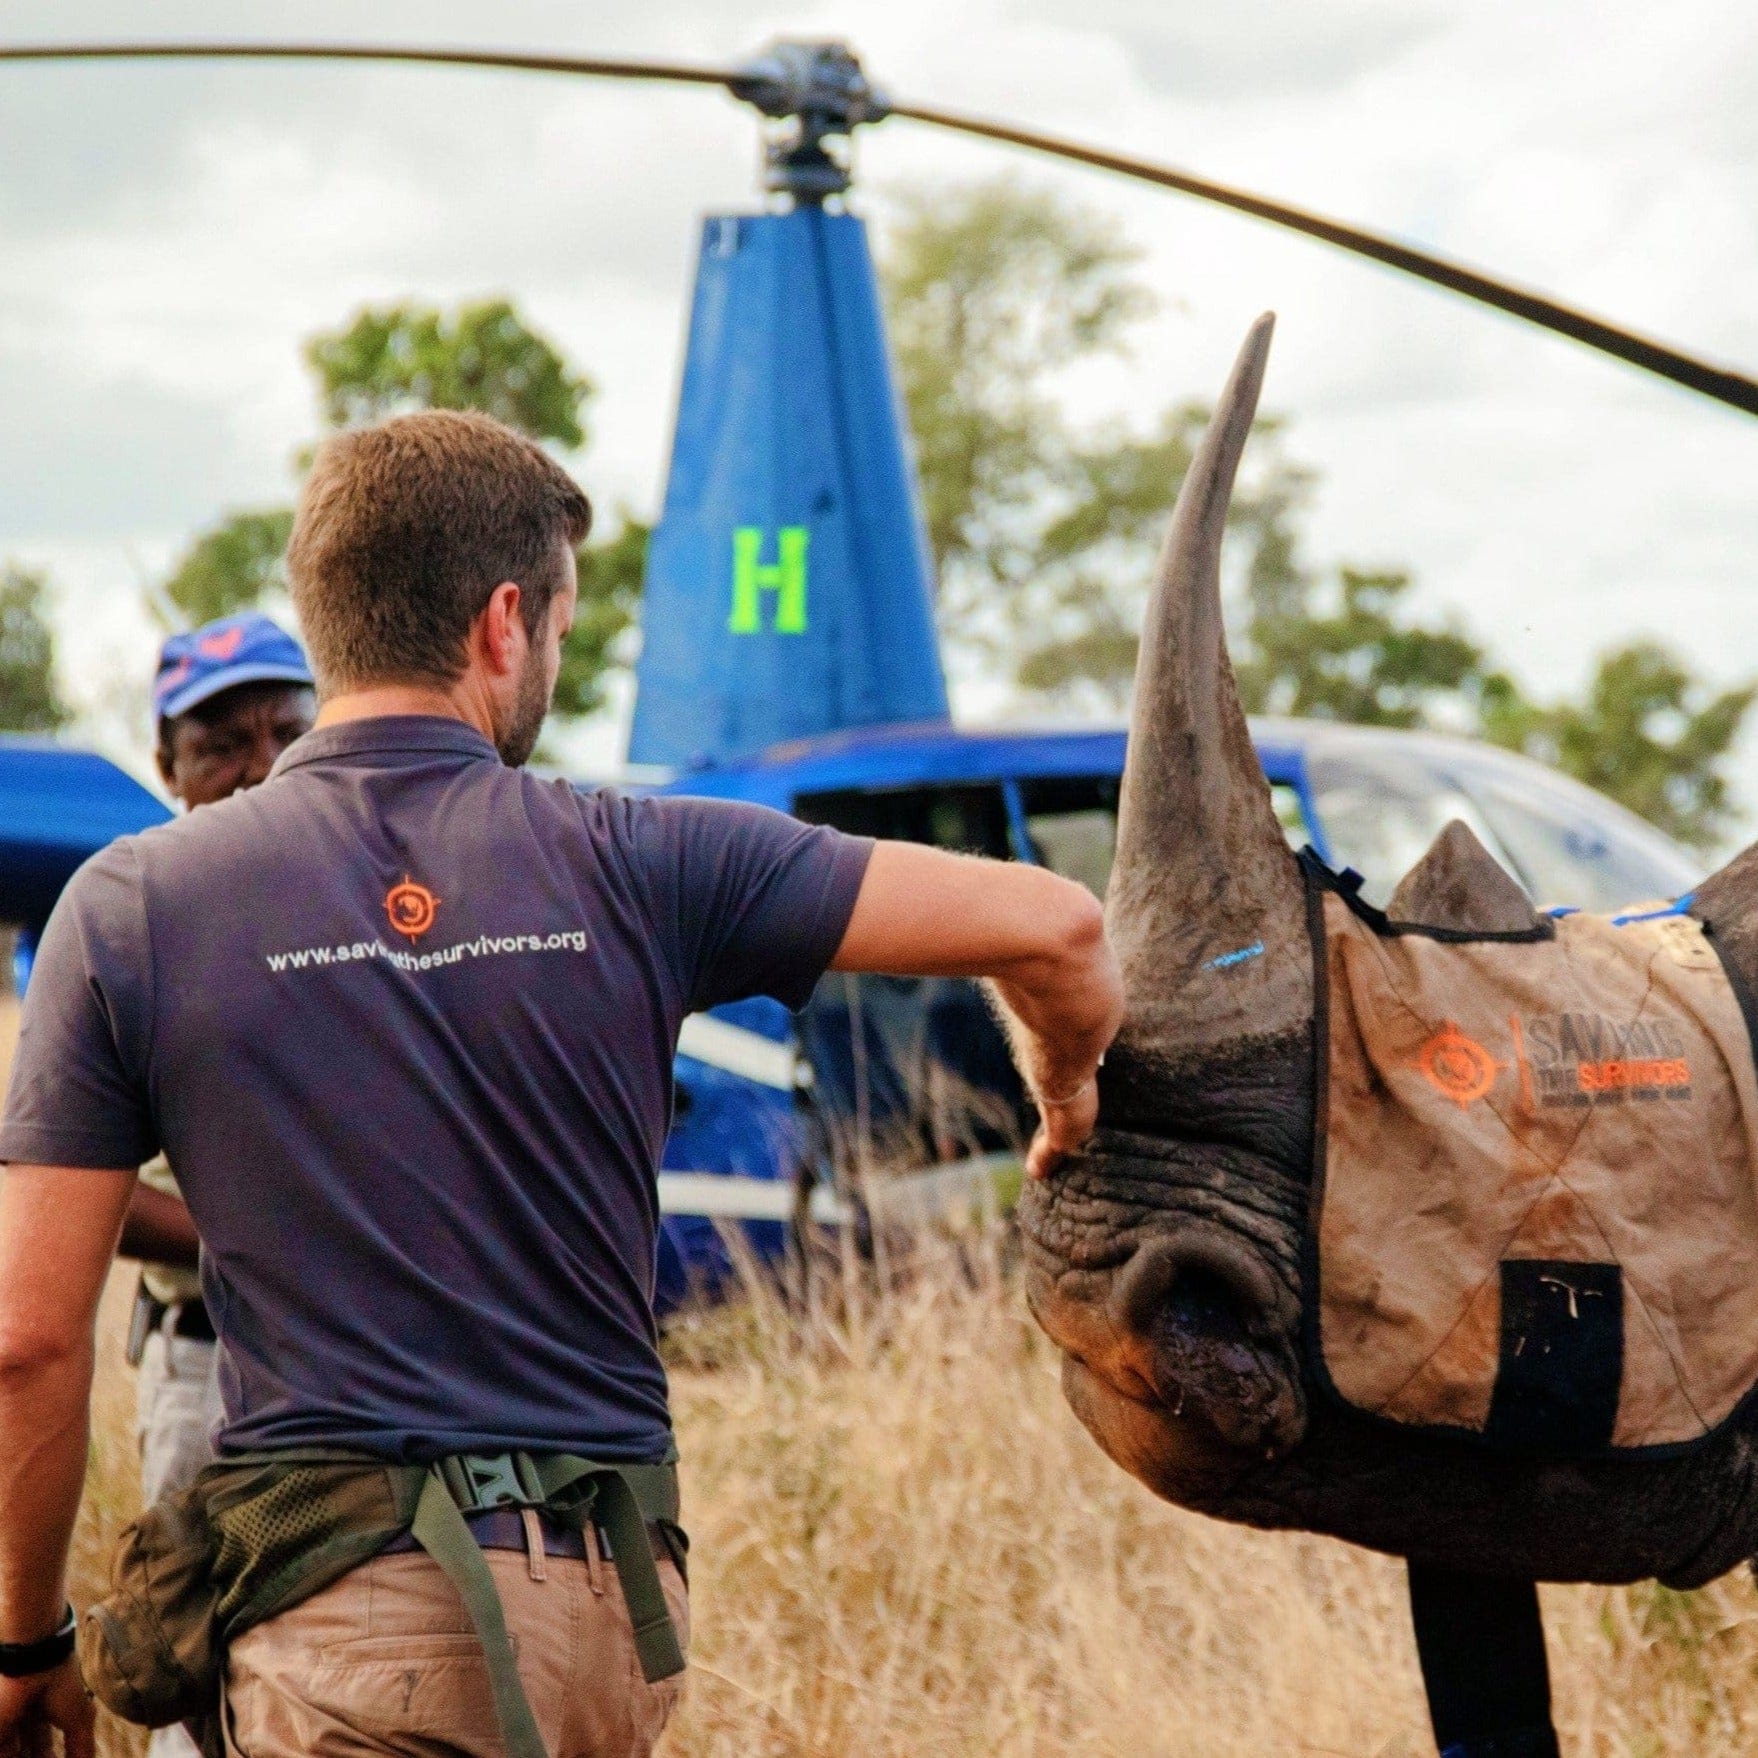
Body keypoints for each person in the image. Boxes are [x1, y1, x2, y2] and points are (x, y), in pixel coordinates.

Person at [0, 410, 1122, 1758]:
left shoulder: (131, 902)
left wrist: (23, 1642)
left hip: (339, 1619)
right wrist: (1062, 1101)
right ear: (503, 622)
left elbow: (27, 1340)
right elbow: (1057, 927)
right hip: (609, 1618)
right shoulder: (649, 858)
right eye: (565, 634)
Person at [112, 614, 317, 1758]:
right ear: (166, 766)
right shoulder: (138, 924)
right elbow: (79, 1200)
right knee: (201, 1677)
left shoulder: (370, 907)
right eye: (221, 744)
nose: (261, 768)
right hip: (208, 1362)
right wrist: (275, 1242)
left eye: (288, 730)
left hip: (362, 1368)